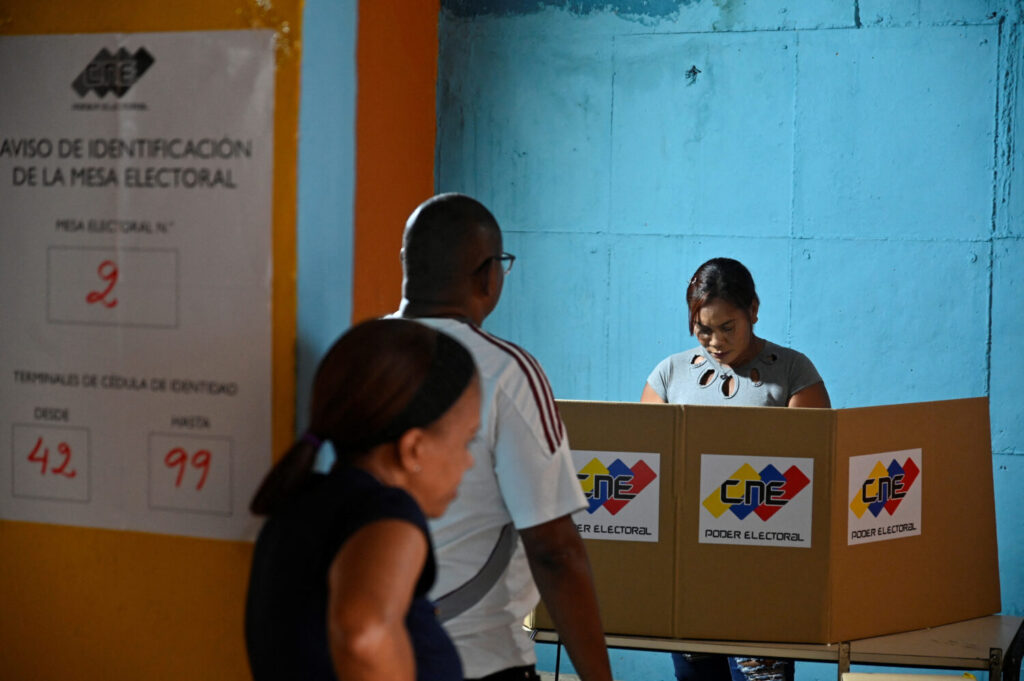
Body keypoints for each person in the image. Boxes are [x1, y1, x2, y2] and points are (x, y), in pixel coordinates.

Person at [396, 193, 613, 681]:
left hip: (364, 652)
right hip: (474, 659)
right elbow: (554, 549)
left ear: (407, 264)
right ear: (488, 274)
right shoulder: (504, 372)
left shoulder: (354, 354)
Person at [245, 318, 481, 681]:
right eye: (467, 441)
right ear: (413, 448)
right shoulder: (386, 513)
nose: (469, 461)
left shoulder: (298, 503)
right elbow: (364, 633)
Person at [642, 257, 830, 681]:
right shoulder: (668, 376)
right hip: (690, 577)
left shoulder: (794, 373)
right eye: (703, 328)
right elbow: (649, 474)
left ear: (754, 310)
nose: (715, 342)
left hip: (764, 578)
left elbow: (813, 480)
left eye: (728, 327)